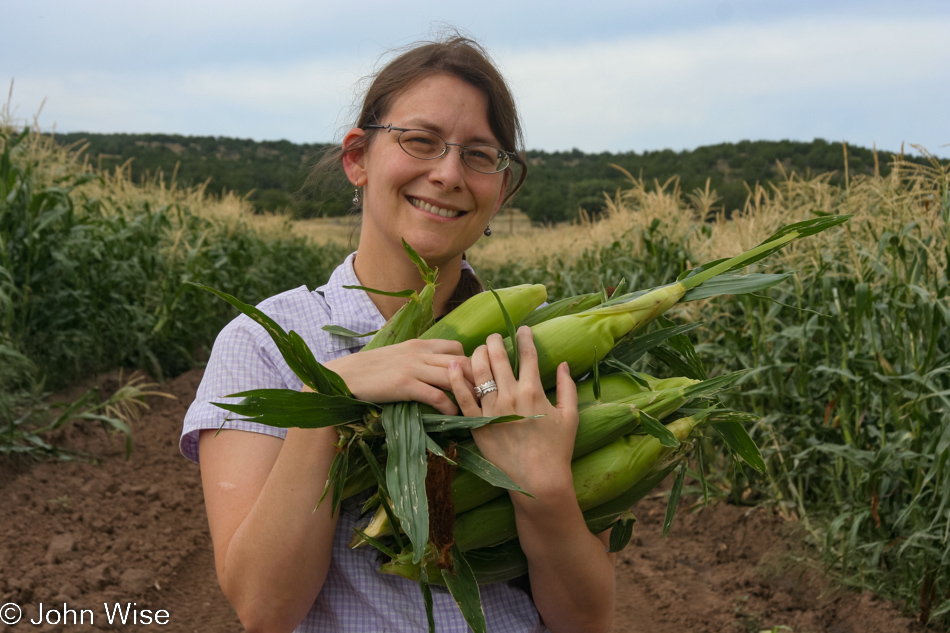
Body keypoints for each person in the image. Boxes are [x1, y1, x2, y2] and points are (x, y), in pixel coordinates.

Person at [180, 34, 615, 633]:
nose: (448, 174)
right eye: (420, 141)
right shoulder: (265, 345)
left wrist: (545, 489)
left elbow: (587, 621)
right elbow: (264, 607)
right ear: (357, 157)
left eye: (480, 155)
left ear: (502, 189)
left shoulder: (539, 355)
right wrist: (328, 399)